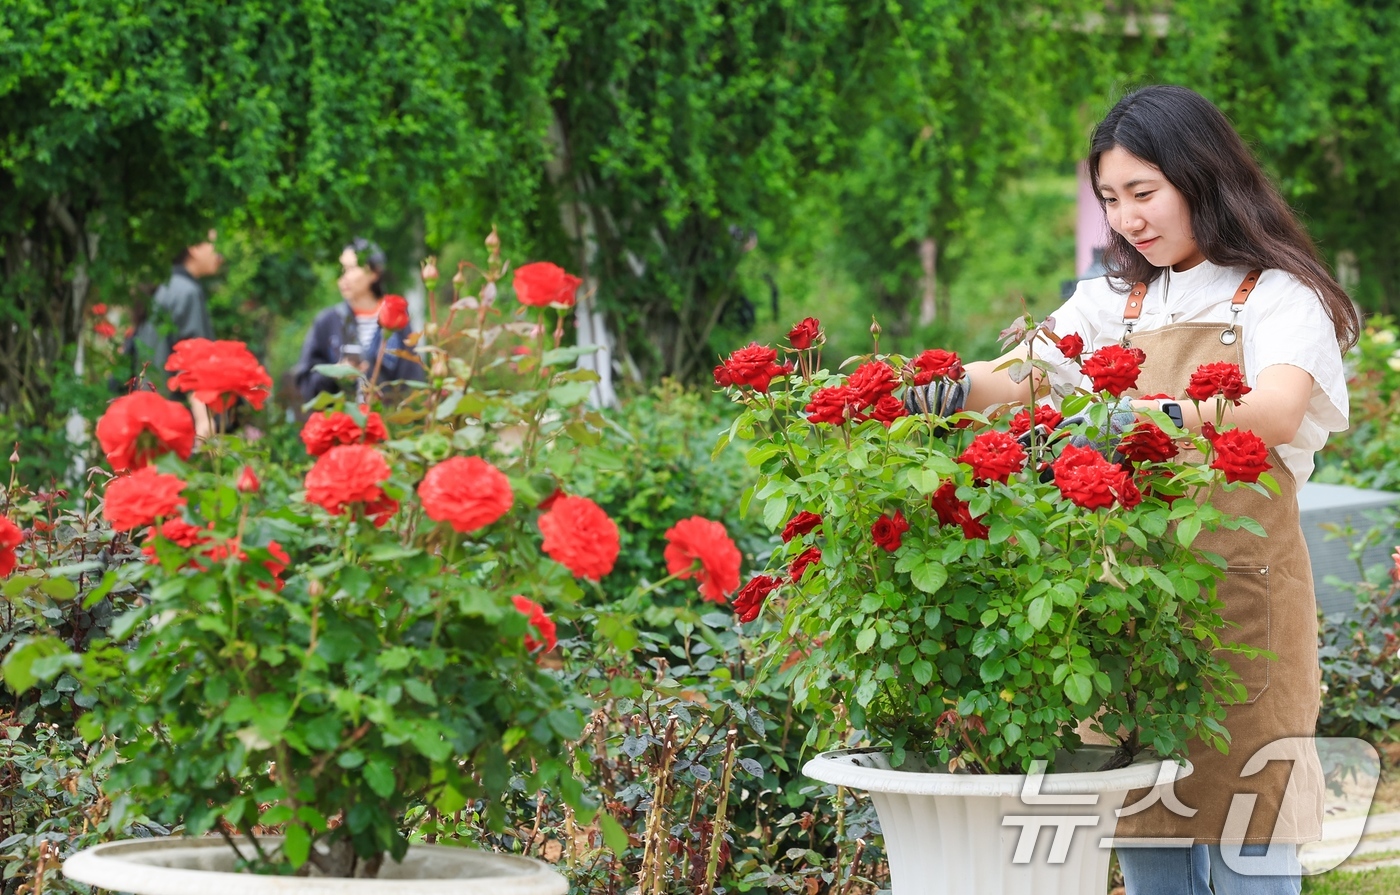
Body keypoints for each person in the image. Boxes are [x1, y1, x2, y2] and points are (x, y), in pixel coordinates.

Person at [908, 85, 1359, 895]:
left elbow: (1277, 408)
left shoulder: (1279, 295)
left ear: (1201, 176)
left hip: (1240, 610)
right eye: (1110, 199)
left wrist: (1150, 414)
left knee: (1251, 845)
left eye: (1143, 193)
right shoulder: (1110, 301)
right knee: (1148, 842)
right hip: (1125, 614)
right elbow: (1025, 372)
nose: (1126, 219)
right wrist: (949, 383)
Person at [294, 237, 424, 404]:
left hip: (387, 418)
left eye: (351, 269)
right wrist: (335, 375)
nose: (344, 277)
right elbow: (306, 384)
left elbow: (412, 380)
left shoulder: (397, 319)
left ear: (374, 272)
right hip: (339, 418)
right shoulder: (327, 322)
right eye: (342, 270)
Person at [133, 232, 223, 438]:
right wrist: (203, 419)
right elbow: (192, 359)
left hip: (148, 414)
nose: (219, 254)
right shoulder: (187, 292)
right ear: (194, 248)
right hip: (177, 419)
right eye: (213, 244)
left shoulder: (163, 287)